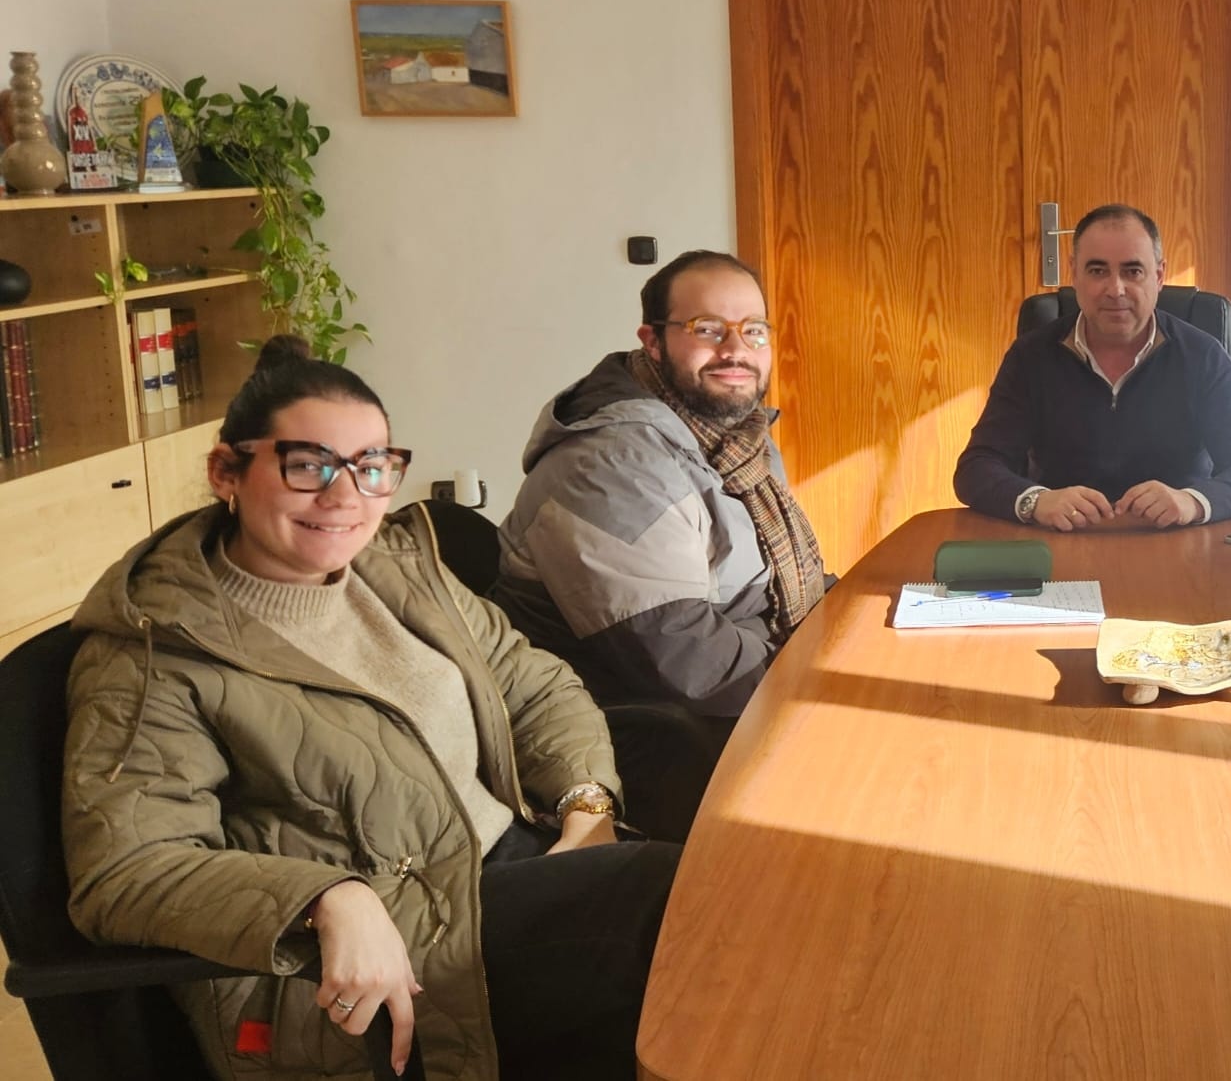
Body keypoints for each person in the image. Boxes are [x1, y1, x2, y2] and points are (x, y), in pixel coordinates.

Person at [63, 336, 681, 1080]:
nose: (345, 496)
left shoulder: (394, 568)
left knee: (727, 874)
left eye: (372, 466)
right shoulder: (156, 646)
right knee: (680, 901)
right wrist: (327, 898)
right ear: (227, 472)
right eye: (308, 466)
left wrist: (587, 808)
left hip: (513, 862)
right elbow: (125, 870)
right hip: (370, 954)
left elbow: (533, 684)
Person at [494, 250, 826, 841]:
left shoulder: (729, 433)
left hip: (736, 686)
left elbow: (771, 581)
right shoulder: (613, 462)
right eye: (708, 329)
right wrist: (823, 679)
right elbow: (685, 661)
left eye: (754, 330)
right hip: (659, 733)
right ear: (652, 341)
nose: (736, 350)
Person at [953, 203, 1231, 530]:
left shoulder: (1202, 355)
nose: (1115, 290)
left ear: (1159, 276)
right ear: (1074, 273)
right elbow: (977, 467)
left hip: (1176, 540)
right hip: (1063, 538)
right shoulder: (1031, 356)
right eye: (1098, 271)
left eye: (1132, 271)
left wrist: (1191, 502)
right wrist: (1035, 501)